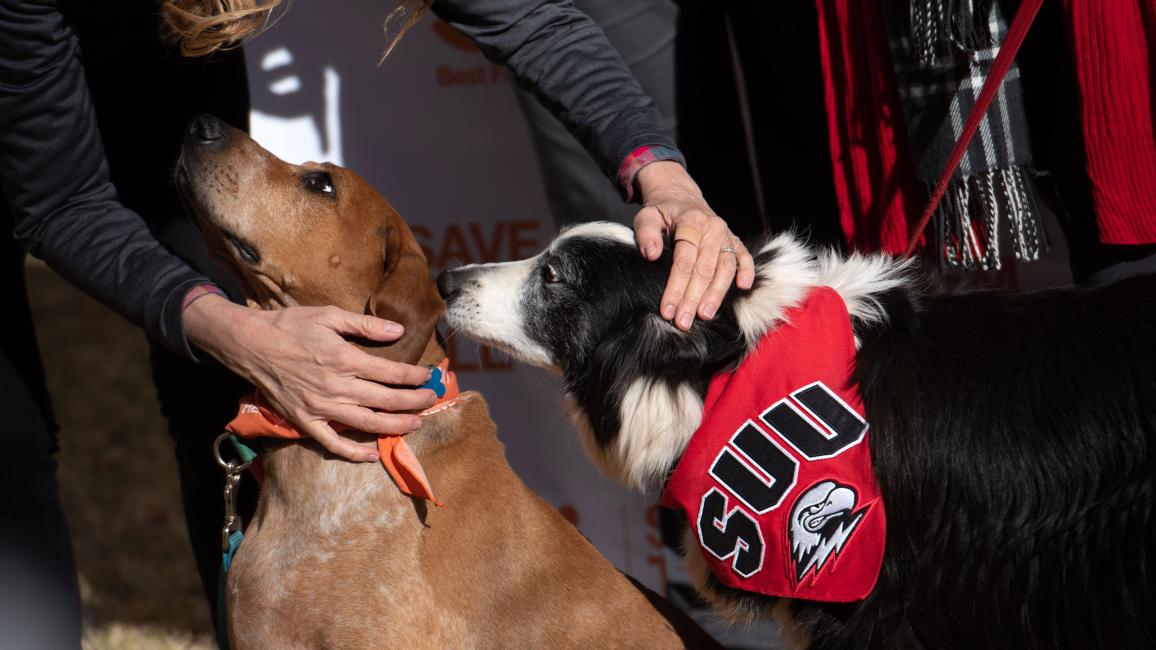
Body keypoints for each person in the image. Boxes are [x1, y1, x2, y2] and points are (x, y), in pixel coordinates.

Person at [0, 0, 751, 646]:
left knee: (201, 384)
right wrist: (225, 328)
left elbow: (533, 16)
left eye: (314, 184)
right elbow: (60, 200)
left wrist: (665, 176)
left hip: (174, 39)